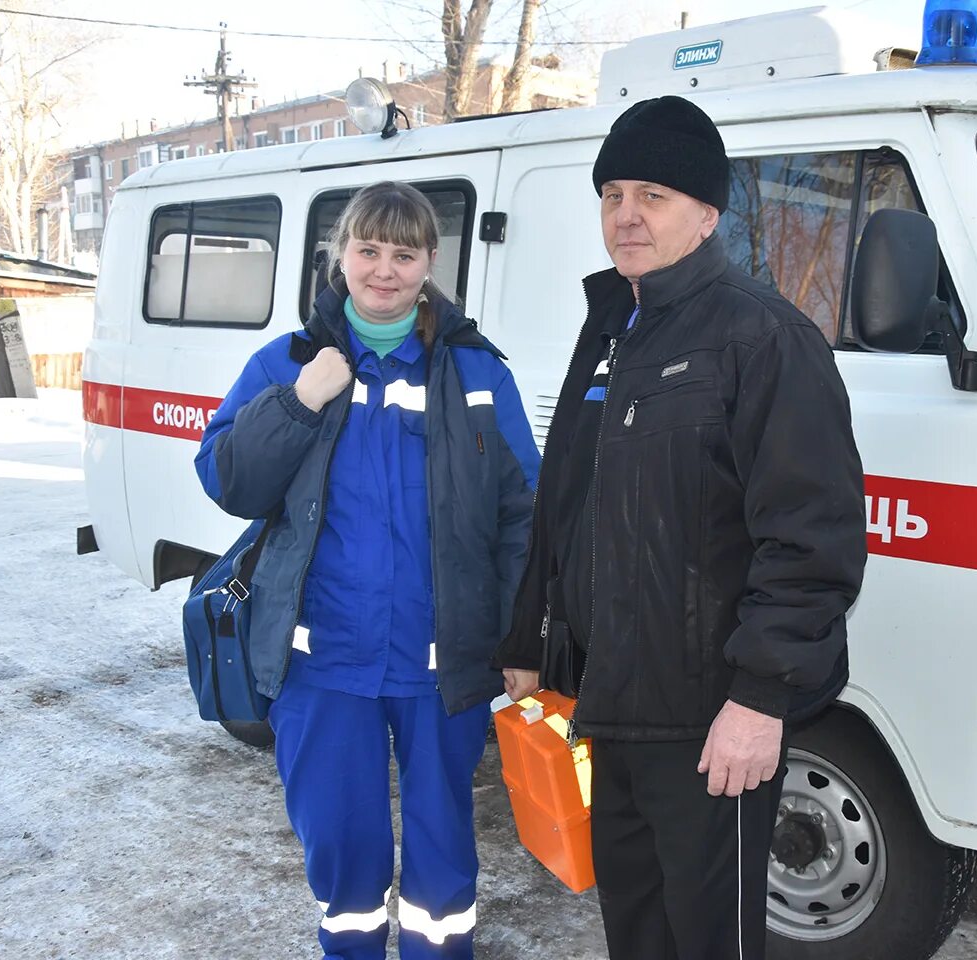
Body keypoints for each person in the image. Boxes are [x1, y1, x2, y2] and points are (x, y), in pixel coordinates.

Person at [496, 96, 866, 960]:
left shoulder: (762, 337)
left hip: (709, 721)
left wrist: (759, 699)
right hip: (610, 704)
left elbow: (811, 541)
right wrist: (527, 637)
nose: (627, 214)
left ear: (706, 214)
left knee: (709, 944)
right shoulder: (612, 328)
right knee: (637, 932)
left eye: (653, 195)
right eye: (613, 193)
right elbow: (566, 503)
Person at [194, 180, 540, 960]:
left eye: (404, 253)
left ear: (430, 263)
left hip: (442, 668)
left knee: (442, 866)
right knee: (343, 860)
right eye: (369, 250)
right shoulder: (285, 364)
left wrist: (524, 638)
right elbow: (227, 481)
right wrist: (298, 404)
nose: (384, 270)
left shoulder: (478, 373)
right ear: (340, 255)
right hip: (323, 668)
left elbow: (524, 517)